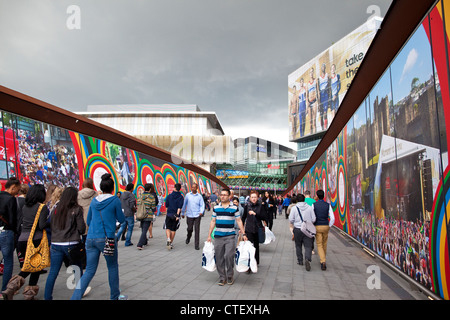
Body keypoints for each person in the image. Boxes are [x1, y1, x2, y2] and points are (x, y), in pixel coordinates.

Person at [71, 173, 125, 300]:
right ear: (112, 189)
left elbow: (88, 221)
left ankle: (75, 297)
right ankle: (114, 296)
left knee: (89, 270)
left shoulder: (94, 201)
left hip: (91, 238)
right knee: (112, 267)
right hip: (107, 238)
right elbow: (121, 219)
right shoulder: (115, 200)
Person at [2, 184, 49, 300]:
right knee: (35, 267)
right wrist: (50, 221)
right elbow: (42, 225)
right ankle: (26, 294)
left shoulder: (25, 207)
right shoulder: (41, 207)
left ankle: (10, 289)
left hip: (22, 239)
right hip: (35, 240)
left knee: (29, 266)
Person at [44, 187, 86, 300]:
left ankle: (47, 297)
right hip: (71, 243)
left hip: (56, 243)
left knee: (53, 272)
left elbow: (50, 225)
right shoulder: (76, 209)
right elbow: (81, 228)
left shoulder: (56, 208)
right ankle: (78, 294)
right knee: (77, 269)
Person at [207, 189, 246, 286]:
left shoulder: (234, 208)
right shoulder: (216, 208)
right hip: (218, 236)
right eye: (221, 195)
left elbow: (239, 220)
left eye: (225, 195)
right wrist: (209, 235)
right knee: (219, 257)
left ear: (229, 196)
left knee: (229, 256)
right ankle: (222, 277)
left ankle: (229, 276)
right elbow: (213, 221)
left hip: (230, 236)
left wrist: (244, 233)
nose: (222, 196)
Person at [0, 177, 21, 293]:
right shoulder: (11, 199)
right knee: (8, 261)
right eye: (17, 189)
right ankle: (5, 289)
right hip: (6, 232)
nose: (18, 191)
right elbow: (13, 219)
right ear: (13, 187)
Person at [289, 194, 316, 271]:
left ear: (297, 200)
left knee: (298, 245)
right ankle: (307, 259)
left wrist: (295, 222)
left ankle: (300, 260)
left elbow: (291, 219)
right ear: (304, 200)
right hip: (307, 229)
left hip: (297, 229)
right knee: (308, 246)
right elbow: (314, 219)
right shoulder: (310, 208)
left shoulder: (294, 208)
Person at [241, 190, 267, 267]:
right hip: (248, 228)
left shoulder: (260, 206)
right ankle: (248, 263)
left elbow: (264, 217)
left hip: (257, 228)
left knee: (256, 246)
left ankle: (255, 261)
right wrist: (242, 228)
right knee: (249, 246)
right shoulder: (247, 206)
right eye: (252, 197)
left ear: (257, 198)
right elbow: (243, 217)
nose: (253, 199)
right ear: (250, 198)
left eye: (255, 197)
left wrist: (255, 214)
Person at [312, 190, 335, 271]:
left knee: (319, 244)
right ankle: (323, 258)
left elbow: (312, 217)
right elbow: (332, 218)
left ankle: (323, 261)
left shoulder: (314, 205)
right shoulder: (327, 205)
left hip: (318, 226)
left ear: (317, 196)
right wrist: (329, 225)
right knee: (324, 243)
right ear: (324, 196)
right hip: (325, 225)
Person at [181, 183, 205, 250]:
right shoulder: (188, 195)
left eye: (194, 187)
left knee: (197, 230)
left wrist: (201, 212)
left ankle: (196, 245)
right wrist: (182, 213)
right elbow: (184, 204)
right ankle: (188, 237)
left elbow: (202, 205)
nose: (193, 188)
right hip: (189, 214)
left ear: (197, 188)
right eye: (192, 187)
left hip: (197, 215)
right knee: (190, 229)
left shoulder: (199, 196)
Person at [136, 183, 158, 250]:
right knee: (145, 230)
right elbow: (153, 207)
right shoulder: (151, 197)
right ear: (150, 189)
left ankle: (145, 241)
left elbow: (138, 204)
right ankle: (140, 244)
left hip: (141, 214)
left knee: (143, 228)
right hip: (148, 215)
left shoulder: (140, 196)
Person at [77, 178, 98, 243]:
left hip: (82, 221)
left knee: (85, 241)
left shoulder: (78, 194)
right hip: (93, 221)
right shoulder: (95, 194)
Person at [164, 183, 184, 250]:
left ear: (174, 187)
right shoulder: (181, 197)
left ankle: (168, 239)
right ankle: (171, 243)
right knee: (173, 229)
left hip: (169, 214)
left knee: (168, 228)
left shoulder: (169, 196)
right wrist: (177, 216)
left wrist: (167, 213)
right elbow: (179, 207)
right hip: (175, 215)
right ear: (180, 189)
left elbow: (166, 205)